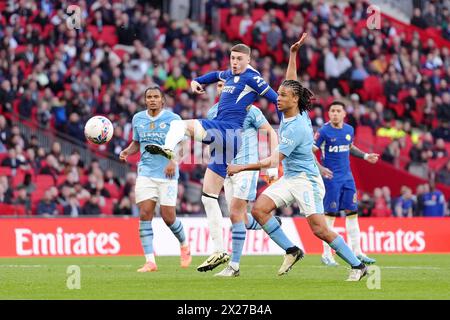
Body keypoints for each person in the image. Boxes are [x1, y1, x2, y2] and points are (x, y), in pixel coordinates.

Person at [227, 33, 368, 281]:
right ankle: (292, 250)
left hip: (307, 181)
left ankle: (357, 266)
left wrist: (241, 168)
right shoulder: (292, 110)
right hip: (291, 177)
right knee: (260, 210)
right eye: (278, 95)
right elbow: (291, 80)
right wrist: (293, 54)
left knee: (319, 230)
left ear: (293, 99)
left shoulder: (296, 128)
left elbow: (273, 161)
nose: (276, 99)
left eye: (281, 96)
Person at [147, 43, 279, 270]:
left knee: (179, 126)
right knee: (208, 196)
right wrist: (197, 81)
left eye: (239, 58)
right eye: (232, 58)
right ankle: (219, 250)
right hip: (225, 141)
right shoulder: (229, 76)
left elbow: (277, 99)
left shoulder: (253, 79)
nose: (234, 62)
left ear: (248, 60)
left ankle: (167, 149)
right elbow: (214, 75)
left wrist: (289, 118)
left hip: (227, 132)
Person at [199, 81, 279, 276]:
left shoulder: (249, 109)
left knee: (235, 214)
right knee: (240, 218)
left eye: (224, 85)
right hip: (226, 169)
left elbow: (270, 133)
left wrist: (273, 166)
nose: (221, 88)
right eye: (218, 85)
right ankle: (270, 223)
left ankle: (233, 266)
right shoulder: (213, 112)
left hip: (246, 168)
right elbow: (214, 139)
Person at [119, 86, 192, 272]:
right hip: (145, 173)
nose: (152, 100)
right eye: (149, 97)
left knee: (169, 217)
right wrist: (128, 151)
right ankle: (150, 261)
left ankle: (184, 245)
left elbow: (183, 145)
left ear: (162, 101)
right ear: (145, 100)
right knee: (145, 213)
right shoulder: (138, 119)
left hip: (167, 175)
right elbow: (137, 143)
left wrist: (173, 161)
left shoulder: (173, 119)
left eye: (155, 97)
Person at [313, 101, 379, 266]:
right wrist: (320, 168)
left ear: (344, 114)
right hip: (331, 179)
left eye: (338, 111)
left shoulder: (349, 130)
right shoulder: (323, 132)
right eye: (332, 111)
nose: (335, 113)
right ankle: (326, 254)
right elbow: (310, 152)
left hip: (348, 178)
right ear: (329, 114)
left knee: (352, 212)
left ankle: (357, 252)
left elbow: (349, 147)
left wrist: (365, 156)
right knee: (330, 216)